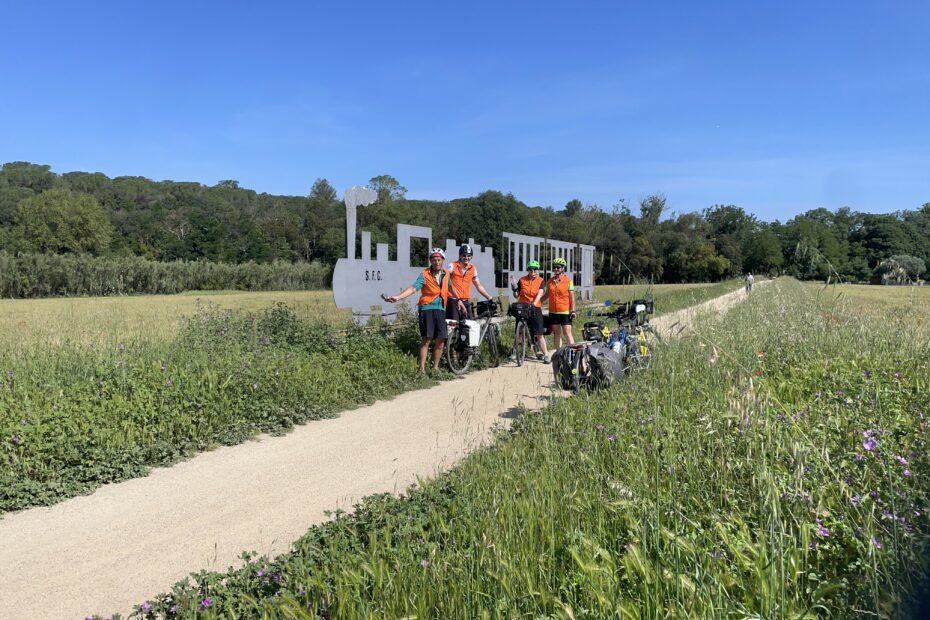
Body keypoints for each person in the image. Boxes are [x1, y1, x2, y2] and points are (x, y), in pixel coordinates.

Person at [383, 248, 450, 374]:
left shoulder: (446, 274)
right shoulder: (425, 274)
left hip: (441, 309)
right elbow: (413, 288)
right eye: (434, 260)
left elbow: (450, 288)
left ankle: (435, 369)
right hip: (427, 308)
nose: (436, 262)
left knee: (441, 340)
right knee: (427, 339)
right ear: (430, 261)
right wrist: (398, 297)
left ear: (443, 261)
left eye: (439, 260)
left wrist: (459, 301)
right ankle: (422, 370)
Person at [509, 259, 550, 363]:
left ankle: (546, 355)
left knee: (539, 333)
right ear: (528, 270)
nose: (533, 272)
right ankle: (515, 352)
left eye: (535, 269)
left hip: (534, 307)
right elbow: (517, 295)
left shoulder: (541, 280)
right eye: (531, 269)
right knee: (519, 333)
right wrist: (514, 289)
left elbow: (540, 293)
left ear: (538, 270)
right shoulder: (522, 280)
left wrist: (534, 304)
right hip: (522, 307)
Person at [535, 256, 576, 349]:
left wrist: (573, 310)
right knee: (556, 333)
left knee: (567, 333)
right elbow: (547, 295)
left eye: (558, 267)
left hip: (565, 311)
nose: (556, 269)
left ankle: (573, 353)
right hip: (553, 312)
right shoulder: (550, 281)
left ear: (563, 268)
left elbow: (572, 298)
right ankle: (559, 354)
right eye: (554, 267)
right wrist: (537, 302)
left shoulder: (568, 281)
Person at [447, 243, 494, 320]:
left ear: (471, 256)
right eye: (464, 255)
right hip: (453, 300)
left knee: (468, 327)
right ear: (460, 256)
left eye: (469, 255)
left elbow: (478, 286)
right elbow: (445, 279)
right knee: (454, 326)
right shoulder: (452, 266)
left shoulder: (473, 269)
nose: (466, 258)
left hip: (465, 301)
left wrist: (489, 297)